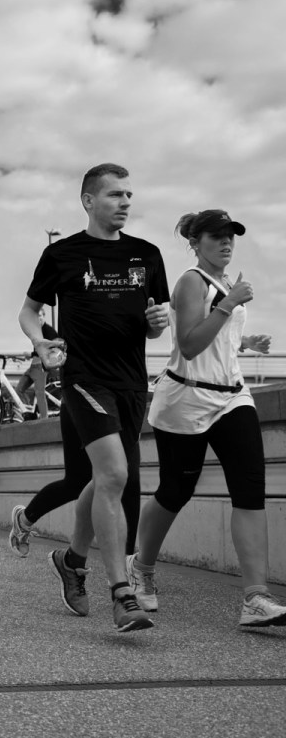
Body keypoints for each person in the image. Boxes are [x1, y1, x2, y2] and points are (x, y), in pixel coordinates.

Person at [9, 163, 170, 632]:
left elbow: (155, 322)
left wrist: (158, 324)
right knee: (114, 473)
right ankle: (122, 593)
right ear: (88, 200)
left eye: (129, 195)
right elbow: (29, 312)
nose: (125, 203)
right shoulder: (62, 254)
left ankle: (72, 560)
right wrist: (40, 342)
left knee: (106, 480)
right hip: (83, 379)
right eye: (116, 195)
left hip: (132, 383)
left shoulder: (147, 254)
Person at [131, 210, 285, 627]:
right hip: (186, 398)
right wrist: (229, 304)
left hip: (232, 396)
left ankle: (255, 597)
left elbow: (218, 336)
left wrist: (244, 341)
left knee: (250, 489)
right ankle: (141, 568)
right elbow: (189, 343)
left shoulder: (227, 283)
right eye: (216, 236)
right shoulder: (191, 281)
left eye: (231, 235)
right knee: (175, 490)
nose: (226, 242)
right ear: (195, 243)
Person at [15, 309, 59, 418]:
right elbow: (38, 350)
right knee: (19, 390)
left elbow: (52, 350)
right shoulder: (36, 331)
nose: (38, 318)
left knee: (39, 393)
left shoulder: (49, 331)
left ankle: (44, 420)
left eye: (40, 315)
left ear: (44, 316)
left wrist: (31, 354)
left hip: (42, 367)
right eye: (36, 316)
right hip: (34, 366)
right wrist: (31, 355)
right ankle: (29, 412)